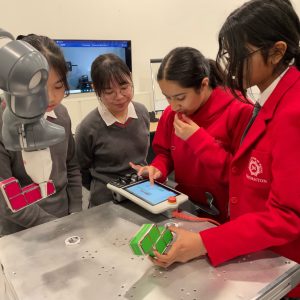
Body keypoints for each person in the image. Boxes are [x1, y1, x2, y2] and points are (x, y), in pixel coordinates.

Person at [151, 1, 300, 298]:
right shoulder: (269, 100)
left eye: (238, 55)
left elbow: (287, 215)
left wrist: (206, 242)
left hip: (279, 260)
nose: (229, 65)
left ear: (277, 51)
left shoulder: (290, 110)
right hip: (247, 239)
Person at [131, 47, 253, 223]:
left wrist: (197, 139)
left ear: (203, 85)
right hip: (188, 208)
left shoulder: (241, 111)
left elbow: (242, 175)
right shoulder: (171, 114)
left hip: (228, 216)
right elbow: (165, 154)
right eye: (167, 97)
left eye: (180, 98)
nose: (173, 106)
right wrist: (158, 168)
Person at [0, 34, 82, 235]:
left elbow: (71, 166)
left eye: (59, 86)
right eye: (40, 88)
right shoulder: (4, 123)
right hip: (20, 232)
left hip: (64, 221)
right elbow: (5, 199)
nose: (51, 98)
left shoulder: (61, 114)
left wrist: (76, 213)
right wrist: (52, 225)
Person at [75, 53, 150, 207]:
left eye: (124, 87)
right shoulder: (87, 127)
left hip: (143, 194)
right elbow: (80, 171)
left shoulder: (141, 112)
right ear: (96, 89)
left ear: (130, 79)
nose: (119, 96)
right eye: (109, 92)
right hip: (107, 201)